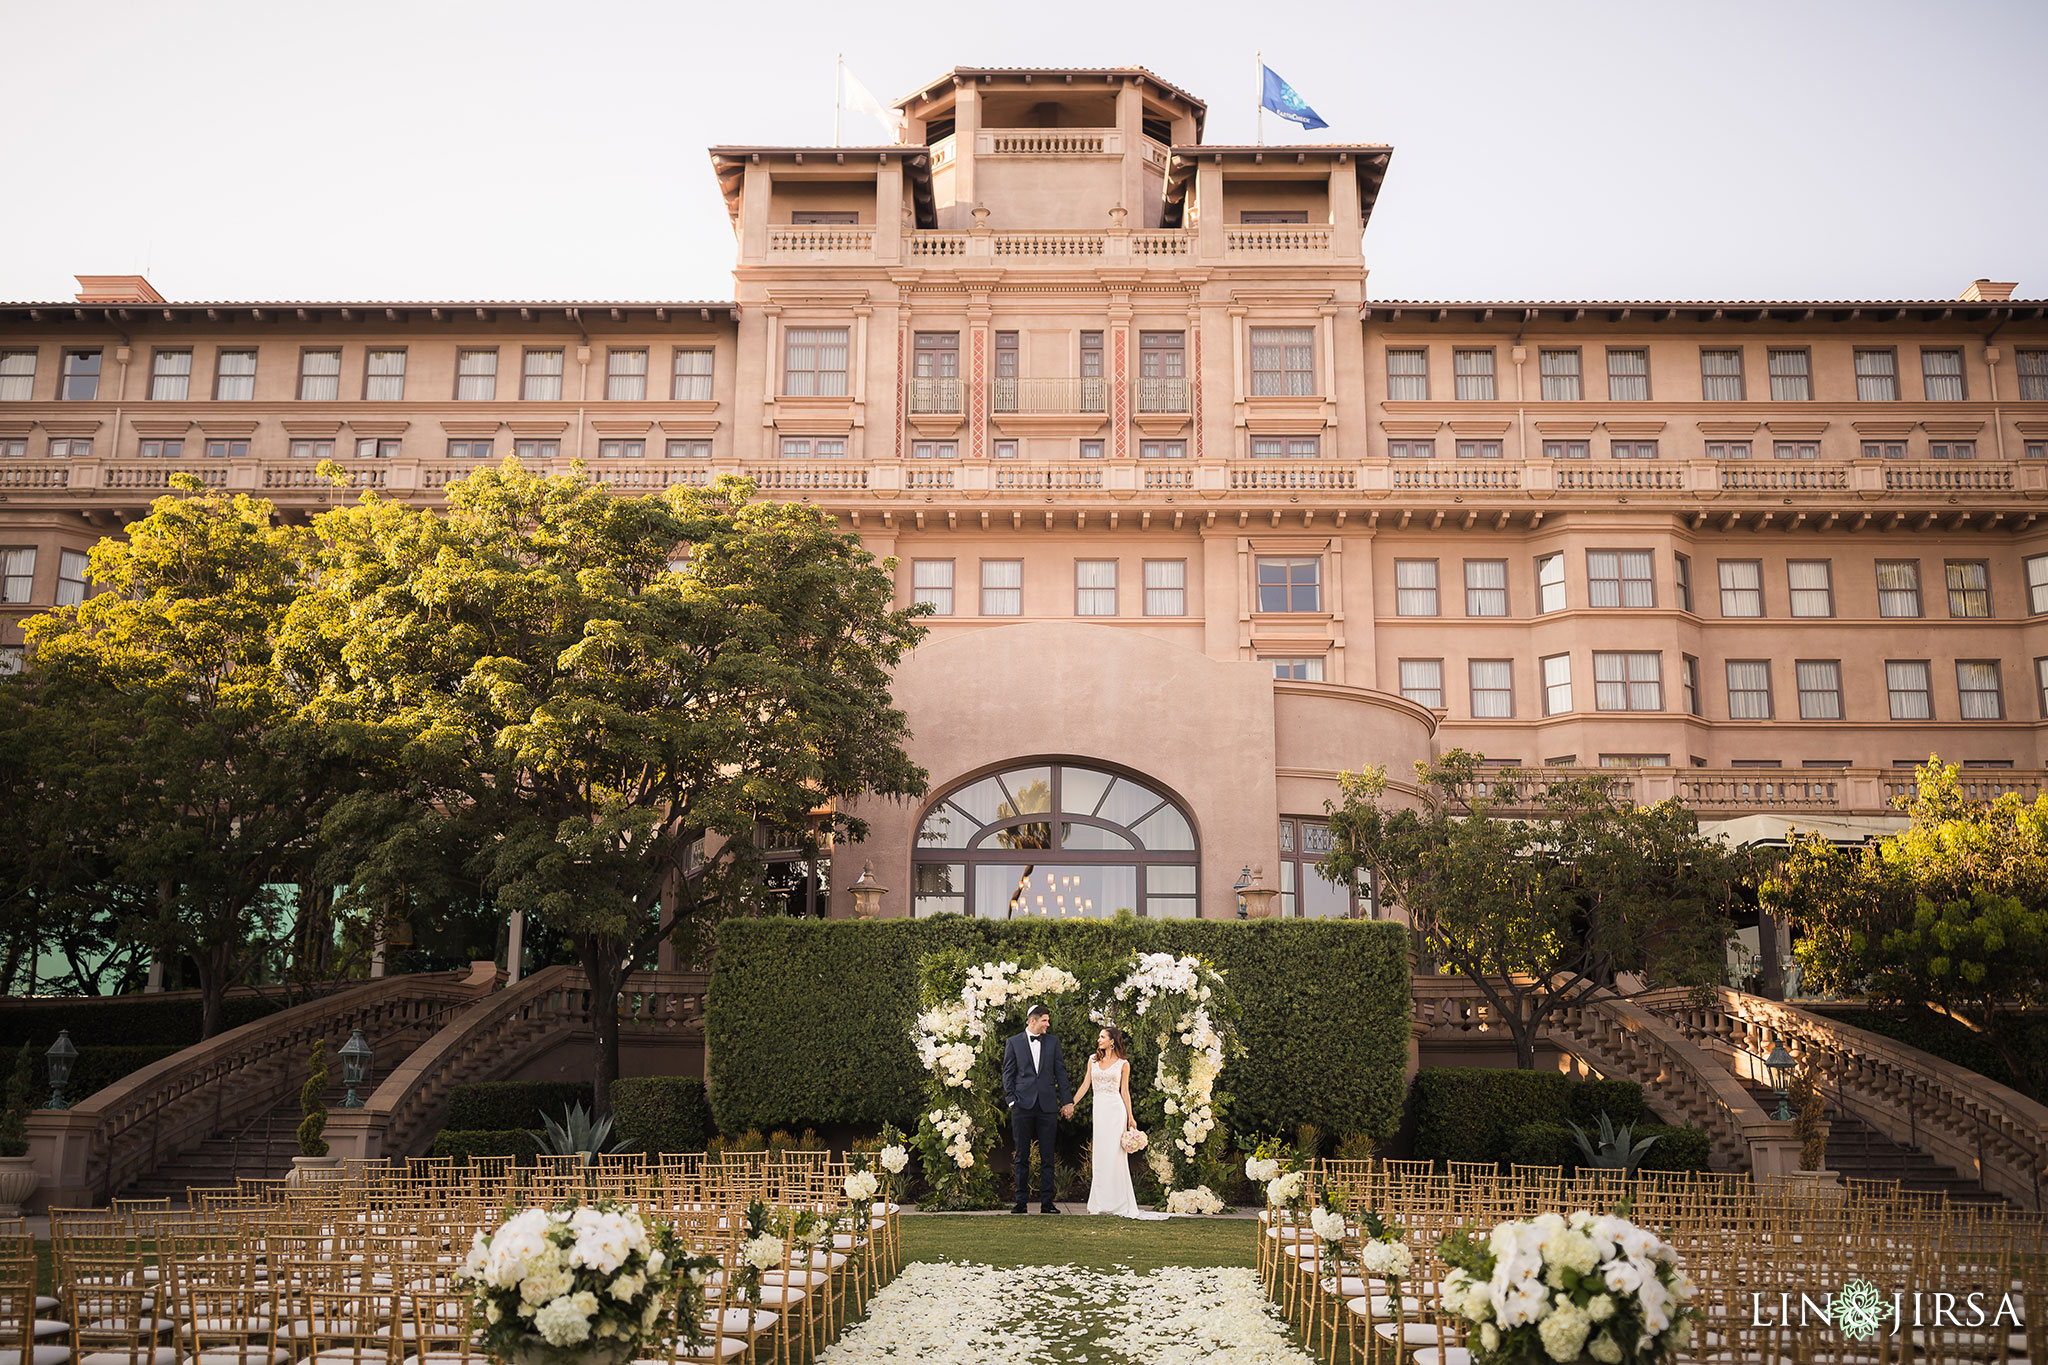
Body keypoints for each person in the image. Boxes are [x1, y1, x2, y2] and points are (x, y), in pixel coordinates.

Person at [1067, 1025, 1167, 1219]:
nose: (1099, 1040)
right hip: (1100, 1110)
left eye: (1102, 1037)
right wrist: (1072, 1104)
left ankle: (1118, 1202)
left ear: (1112, 1041)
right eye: (1099, 1037)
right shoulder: (1092, 1060)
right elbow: (1086, 1084)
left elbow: (1125, 1092)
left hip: (1116, 1111)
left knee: (1115, 1156)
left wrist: (1130, 1116)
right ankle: (1100, 1202)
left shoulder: (1123, 1064)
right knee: (1101, 1155)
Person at [1000, 1002, 1070, 1213]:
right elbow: (1008, 1073)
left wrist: (1067, 1101)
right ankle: (1020, 1203)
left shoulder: (1053, 1042)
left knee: (1048, 1156)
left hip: (1047, 1106)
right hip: (1022, 1106)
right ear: (1033, 1020)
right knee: (1022, 1156)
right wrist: (1011, 1100)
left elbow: (1061, 1073)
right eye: (1045, 1021)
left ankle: (1047, 1204)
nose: (1048, 1025)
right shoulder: (1013, 1043)